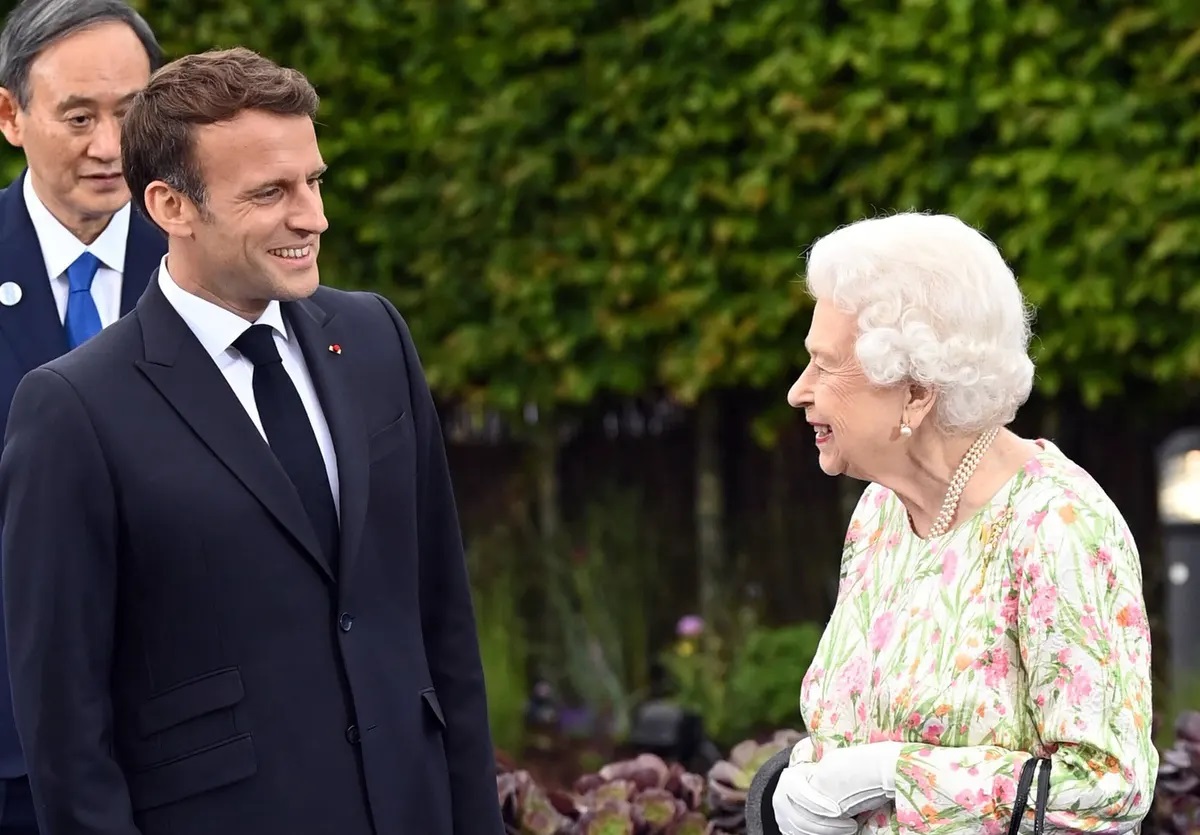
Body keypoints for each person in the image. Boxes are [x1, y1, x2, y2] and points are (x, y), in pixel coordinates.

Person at [0, 47, 503, 835]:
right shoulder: (72, 409)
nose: (313, 216)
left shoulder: (374, 336)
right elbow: (66, 730)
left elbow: (443, 622)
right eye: (271, 192)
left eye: (314, 181)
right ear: (170, 206)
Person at [772, 212, 1157, 834]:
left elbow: (1109, 786)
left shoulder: (1057, 525)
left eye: (825, 365)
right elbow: (848, 730)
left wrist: (893, 774)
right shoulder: (881, 514)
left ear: (917, 394)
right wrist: (796, 786)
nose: (799, 390)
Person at [0, 1, 164, 831]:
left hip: (183, 750)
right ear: (9, 115)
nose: (111, 148)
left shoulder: (209, 265)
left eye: (132, 115)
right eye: (79, 117)